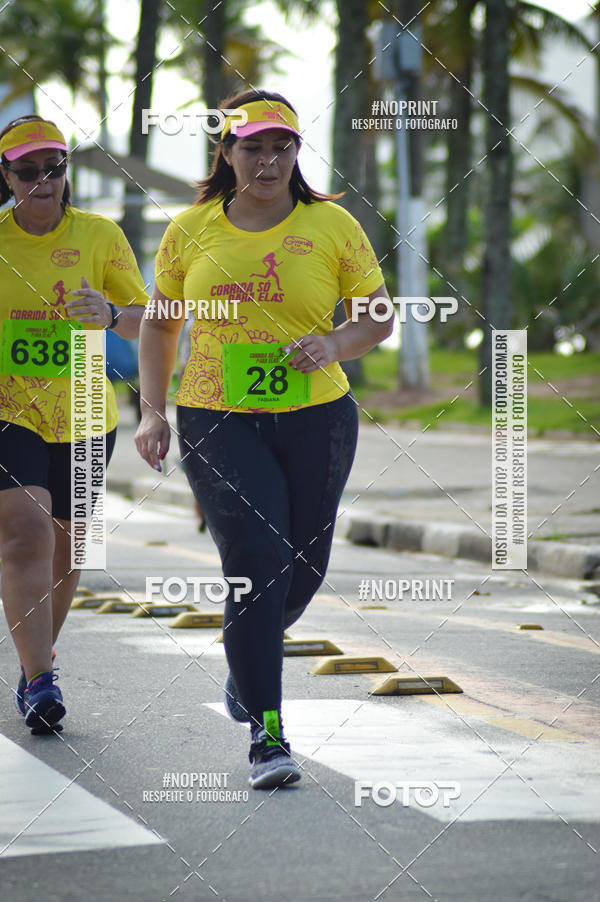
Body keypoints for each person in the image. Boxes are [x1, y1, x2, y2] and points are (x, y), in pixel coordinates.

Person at [135, 90, 393, 788]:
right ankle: (267, 733)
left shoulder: (332, 224)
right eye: (252, 146)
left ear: (297, 153)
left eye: (282, 146)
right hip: (218, 416)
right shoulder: (190, 229)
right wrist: (151, 413)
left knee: (303, 567)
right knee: (258, 558)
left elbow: (376, 319)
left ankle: (251, 661)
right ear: (225, 152)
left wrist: (334, 341)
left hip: (319, 416)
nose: (269, 160)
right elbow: (159, 327)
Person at [0, 115, 147, 733]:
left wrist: (110, 312)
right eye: (27, 171)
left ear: (66, 172)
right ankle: (40, 681)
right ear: (6, 175)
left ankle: (39, 659)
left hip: (87, 405)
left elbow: (148, 320)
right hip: (9, 406)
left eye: (53, 169)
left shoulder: (101, 235)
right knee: (26, 534)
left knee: (68, 544)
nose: (42, 181)